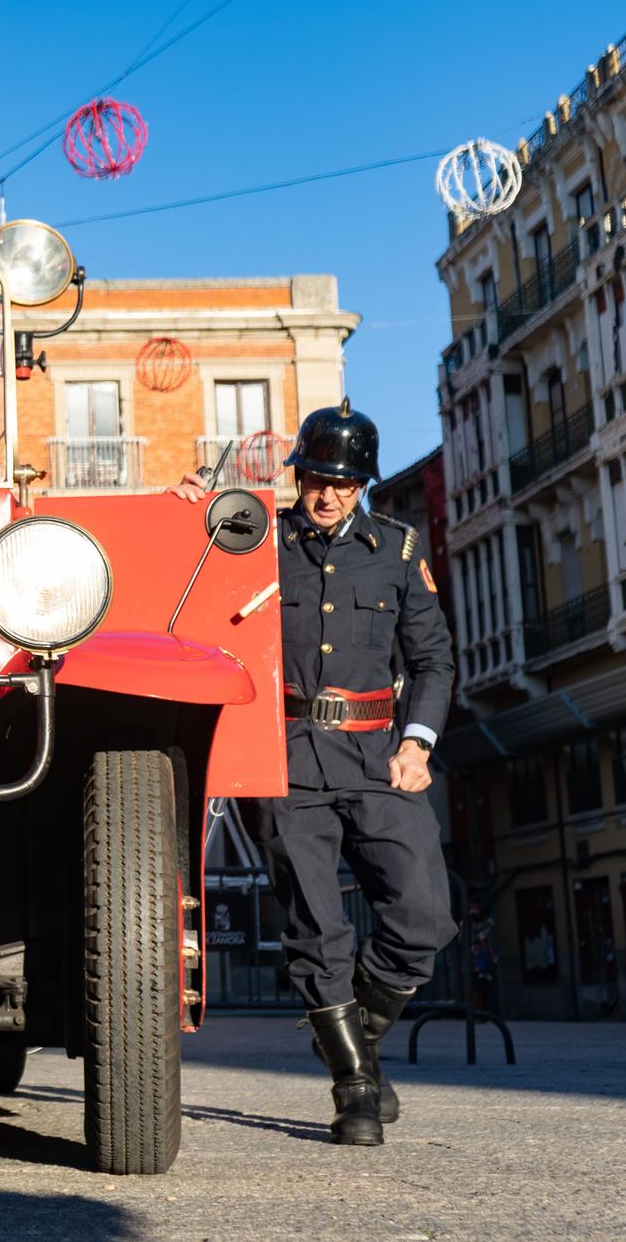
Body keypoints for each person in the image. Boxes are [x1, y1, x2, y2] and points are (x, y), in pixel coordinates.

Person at [172, 399, 455, 1146]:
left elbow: (432, 660)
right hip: (285, 758)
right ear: (299, 474)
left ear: (363, 484)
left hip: (375, 756)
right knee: (317, 928)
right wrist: (183, 514)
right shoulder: (259, 542)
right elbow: (192, 587)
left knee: (424, 911)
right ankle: (354, 1082)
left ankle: (346, 1031)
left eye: (342, 481)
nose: (326, 493)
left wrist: (417, 743)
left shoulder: (397, 551)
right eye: (315, 477)